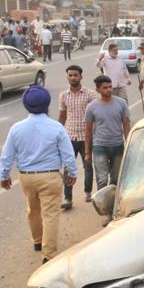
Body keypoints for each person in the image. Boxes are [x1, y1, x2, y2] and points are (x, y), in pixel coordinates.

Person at [0, 86, 77, 263]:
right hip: (50, 176)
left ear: (26, 105)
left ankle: (37, 240)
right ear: (47, 105)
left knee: (32, 210)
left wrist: (4, 176)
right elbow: (67, 154)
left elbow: (7, 155)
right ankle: (48, 254)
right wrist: (71, 172)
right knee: (50, 214)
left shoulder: (16, 128)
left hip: (26, 177)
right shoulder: (56, 127)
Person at [85, 75, 130, 225]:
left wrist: (129, 143)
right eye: (105, 87)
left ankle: (115, 208)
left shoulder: (121, 103)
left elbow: (126, 125)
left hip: (118, 146)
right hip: (99, 147)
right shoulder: (92, 107)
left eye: (110, 86)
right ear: (98, 89)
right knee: (102, 180)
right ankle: (105, 212)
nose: (109, 90)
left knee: (116, 180)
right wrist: (87, 152)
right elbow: (88, 130)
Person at [58, 65, 98, 209]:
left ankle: (88, 192)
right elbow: (62, 116)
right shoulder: (63, 95)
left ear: (81, 76)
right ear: (67, 77)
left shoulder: (90, 94)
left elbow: (96, 115)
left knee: (88, 165)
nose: (73, 77)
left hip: (86, 136)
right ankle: (68, 198)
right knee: (68, 167)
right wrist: (57, 132)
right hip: (69, 136)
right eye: (70, 75)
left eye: (76, 75)